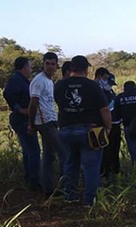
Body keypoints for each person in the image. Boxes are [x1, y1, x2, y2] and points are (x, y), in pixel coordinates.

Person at [54, 55, 111, 208]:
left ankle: (70, 196)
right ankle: (88, 200)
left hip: (65, 129)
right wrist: (108, 127)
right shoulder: (92, 86)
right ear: (86, 69)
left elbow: (59, 103)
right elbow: (104, 109)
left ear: (71, 68)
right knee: (91, 166)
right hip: (90, 130)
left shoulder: (59, 85)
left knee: (70, 163)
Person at [28, 52, 65, 198]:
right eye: (47, 63)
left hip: (51, 120)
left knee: (49, 156)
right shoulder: (39, 81)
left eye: (52, 64)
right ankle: (64, 186)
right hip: (45, 123)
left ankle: (48, 189)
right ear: (43, 64)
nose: (50, 66)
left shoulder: (49, 81)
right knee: (63, 153)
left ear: (56, 65)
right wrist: (31, 124)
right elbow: (33, 103)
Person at [2, 57, 40, 191]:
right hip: (21, 119)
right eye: (29, 67)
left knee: (28, 149)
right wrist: (19, 109)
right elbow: (7, 93)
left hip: (24, 118)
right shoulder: (16, 80)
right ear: (24, 67)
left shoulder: (22, 80)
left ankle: (30, 178)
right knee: (33, 149)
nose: (31, 69)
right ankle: (33, 180)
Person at [94, 68, 121, 180]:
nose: (109, 84)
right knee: (105, 150)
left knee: (114, 149)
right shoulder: (96, 91)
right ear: (99, 77)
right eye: (105, 79)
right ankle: (104, 173)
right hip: (103, 125)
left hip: (115, 124)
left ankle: (114, 170)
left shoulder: (110, 91)